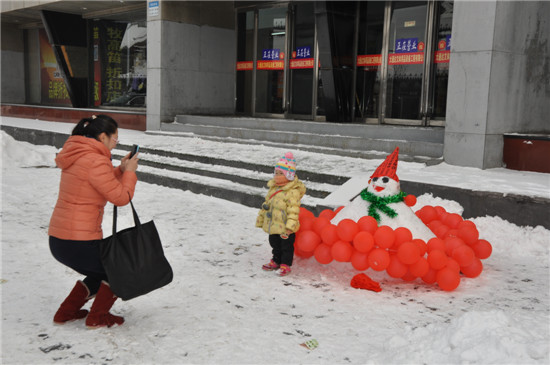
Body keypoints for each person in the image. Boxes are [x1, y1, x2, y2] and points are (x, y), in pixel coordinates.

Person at [48, 114, 139, 328]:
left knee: (102, 271)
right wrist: (131, 174)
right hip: (78, 240)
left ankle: (66, 313)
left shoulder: (81, 154)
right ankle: (97, 318)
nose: (115, 144)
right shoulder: (96, 160)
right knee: (116, 270)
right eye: (115, 139)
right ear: (102, 136)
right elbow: (120, 197)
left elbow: (100, 183)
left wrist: (121, 170)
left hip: (61, 240)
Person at [256, 152, 306, 276]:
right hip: (273, 224)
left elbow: (293, 210)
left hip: (285, 227)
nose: (277, 176)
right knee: (274, 243)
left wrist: (290, 227)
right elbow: (267, 205)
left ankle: (285, 264)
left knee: (286, 247)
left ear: (289, 175)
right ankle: (276, 260)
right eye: (276, 173)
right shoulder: (274, 188)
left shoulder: (292, 192)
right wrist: (261, 219)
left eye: (280, 173)